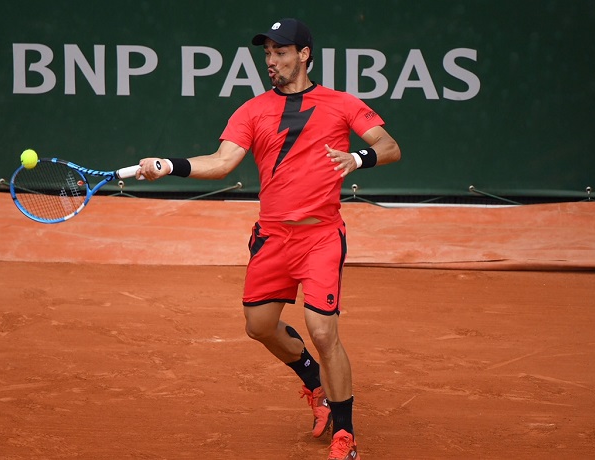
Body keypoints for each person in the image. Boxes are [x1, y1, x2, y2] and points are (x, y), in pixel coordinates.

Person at [137, 18, 400, 460]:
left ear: (304, 54)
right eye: (267, 55)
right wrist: (170, 164)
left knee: (322, 329)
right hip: (272, 237)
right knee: (258, 326)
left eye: (280, 53)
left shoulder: (341, 104)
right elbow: (222, 163)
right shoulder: (252, 110)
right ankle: (314, 381)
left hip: (320, 237)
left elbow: (390, 146)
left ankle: (345, 433)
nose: (271, 62)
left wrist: (358, 157)